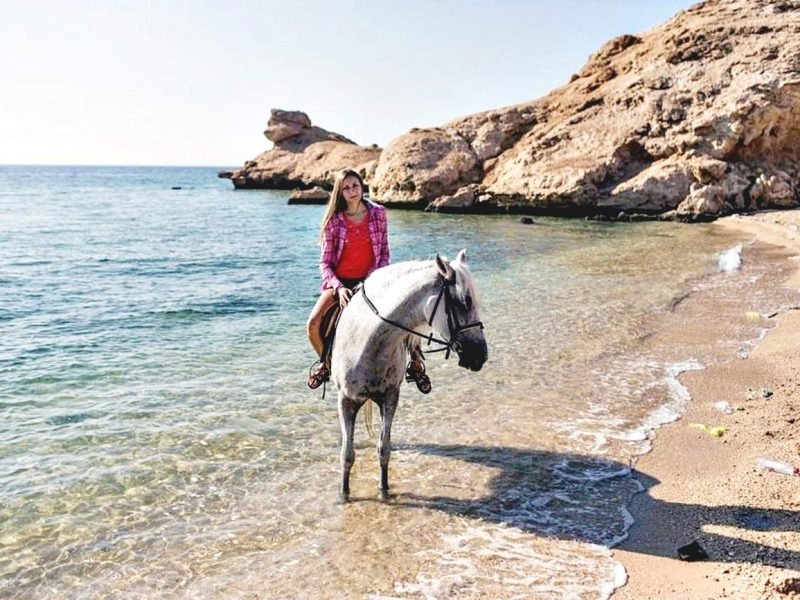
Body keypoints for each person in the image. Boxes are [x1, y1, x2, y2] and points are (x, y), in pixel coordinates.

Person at [306, 167, 431, 393]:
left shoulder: (378, 213)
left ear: (362, 186)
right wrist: (339, 287)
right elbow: (324, 263)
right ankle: (326, 364)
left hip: (373, 279)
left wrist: (371, 281)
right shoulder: (334, 222)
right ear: (340, 192)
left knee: (406, 312)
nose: (352, 191)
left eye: (355, 185)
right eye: (346, 188)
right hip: (341, 283)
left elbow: (383, 252)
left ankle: (416, 363)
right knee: (313, 323)